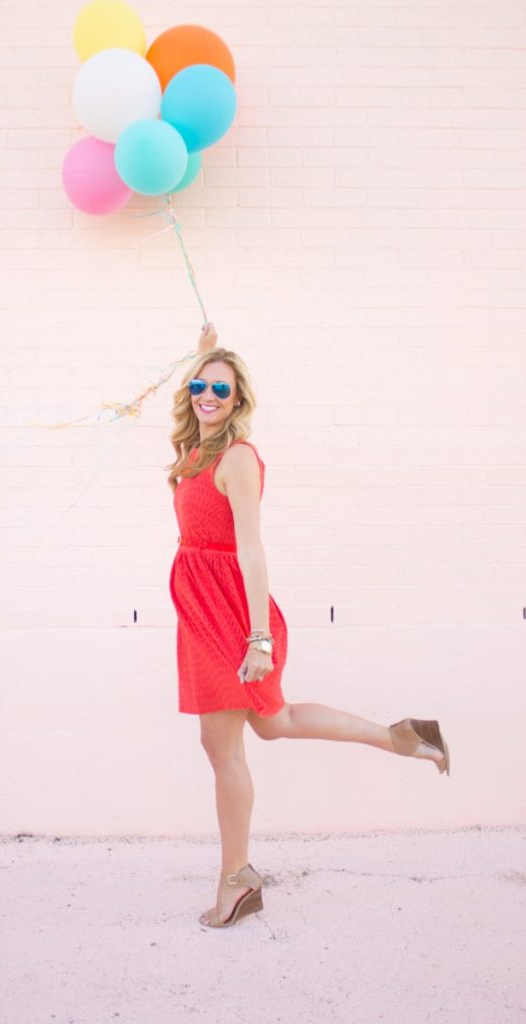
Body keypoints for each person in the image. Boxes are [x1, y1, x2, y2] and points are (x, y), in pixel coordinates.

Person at [166, 322, 450, 930]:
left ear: (240, 399)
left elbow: (251, 549)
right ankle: (400, 736)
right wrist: (202, 354)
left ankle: (237, 879)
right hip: (201, 610)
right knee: (274, 724)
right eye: (199, 385)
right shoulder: (196, 451)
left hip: (231, 616)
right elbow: (199, 393)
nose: (208, 395)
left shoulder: (237, 458)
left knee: (222, 746)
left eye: (222, 388)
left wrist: (258, 638)